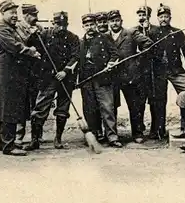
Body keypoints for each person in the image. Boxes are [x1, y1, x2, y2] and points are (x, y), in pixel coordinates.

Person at [0, 0, 41, 156]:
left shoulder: (11, 27)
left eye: (16, 12)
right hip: (6, 72)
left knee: (10, 108)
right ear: (3, 13)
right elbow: (14, 46)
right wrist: (31, 51)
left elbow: (21, 41)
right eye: (11, 13)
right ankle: (8, 146)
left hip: (13, 73)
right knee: (7, 108)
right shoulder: (2, 29)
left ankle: (5, 143)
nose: (15, 15)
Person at [25, 11, 80, 150]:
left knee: (62, 109)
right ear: (52, 23)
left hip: (65, 79)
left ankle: (58, 138)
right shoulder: (44, 35)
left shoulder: (73, 37)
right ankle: (35, 140)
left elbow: (75, 57)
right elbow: (29, 45)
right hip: (47, 78)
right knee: (40, 108)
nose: (61, 28)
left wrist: (65, 71)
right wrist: (32, 33)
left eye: (64, 25)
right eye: (58, 24)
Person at [107, 9, 154, 143]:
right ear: (109, 23)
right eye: (112, 21)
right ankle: (113, 136)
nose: (115, 23)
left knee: (135, 106)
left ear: (121, 21)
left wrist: (138, 61)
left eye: (117, 20)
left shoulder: (131, 33)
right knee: (112, 106)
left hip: (130, 76)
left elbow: (148, 44)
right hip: (112, 78)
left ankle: (137, 133)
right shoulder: (104, 36)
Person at [150, 3, 185, 139]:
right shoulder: (152, 33)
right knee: (159, 99)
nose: (163, 19)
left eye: (166, 16)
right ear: (158, 19)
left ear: (170, 18)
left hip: (176, 70)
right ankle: (159, 129)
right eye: (161, 17)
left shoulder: (177, 32)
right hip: (159, 72)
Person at [78, 13, 121, 147]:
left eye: (92, 25)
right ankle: (95, 135)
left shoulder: (105, 38)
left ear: (96, 25)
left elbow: (115, 54)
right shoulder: (80, 42)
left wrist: (111, 63)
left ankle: (112, 137)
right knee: (90, 109)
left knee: (107, 107)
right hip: (86, 80)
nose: (89, 27)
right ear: (83, 26)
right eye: (86, 25)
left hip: (102, 78)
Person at [15, 3, 43, 147]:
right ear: (26, 15)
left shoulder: (39, 28)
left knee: (36, 104)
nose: (36, 18)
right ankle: (19, 136)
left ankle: (36, 137)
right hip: (21, 73)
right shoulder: (17, 27)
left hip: (35, 73)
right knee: (21, 105)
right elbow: (19, 46)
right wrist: (30, 35)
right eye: (34, 15)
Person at [134, 6, 164, 139]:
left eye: (144, 15)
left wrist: (149, 32)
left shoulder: (156, 30)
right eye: (139, 14)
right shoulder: (133, 31)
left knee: (155, 101)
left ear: (149, 16)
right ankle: (139, 129)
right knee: (139, 101)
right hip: (140, 72)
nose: (142, 17)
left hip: (154, 70)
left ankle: (156, 129)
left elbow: (159, 48)